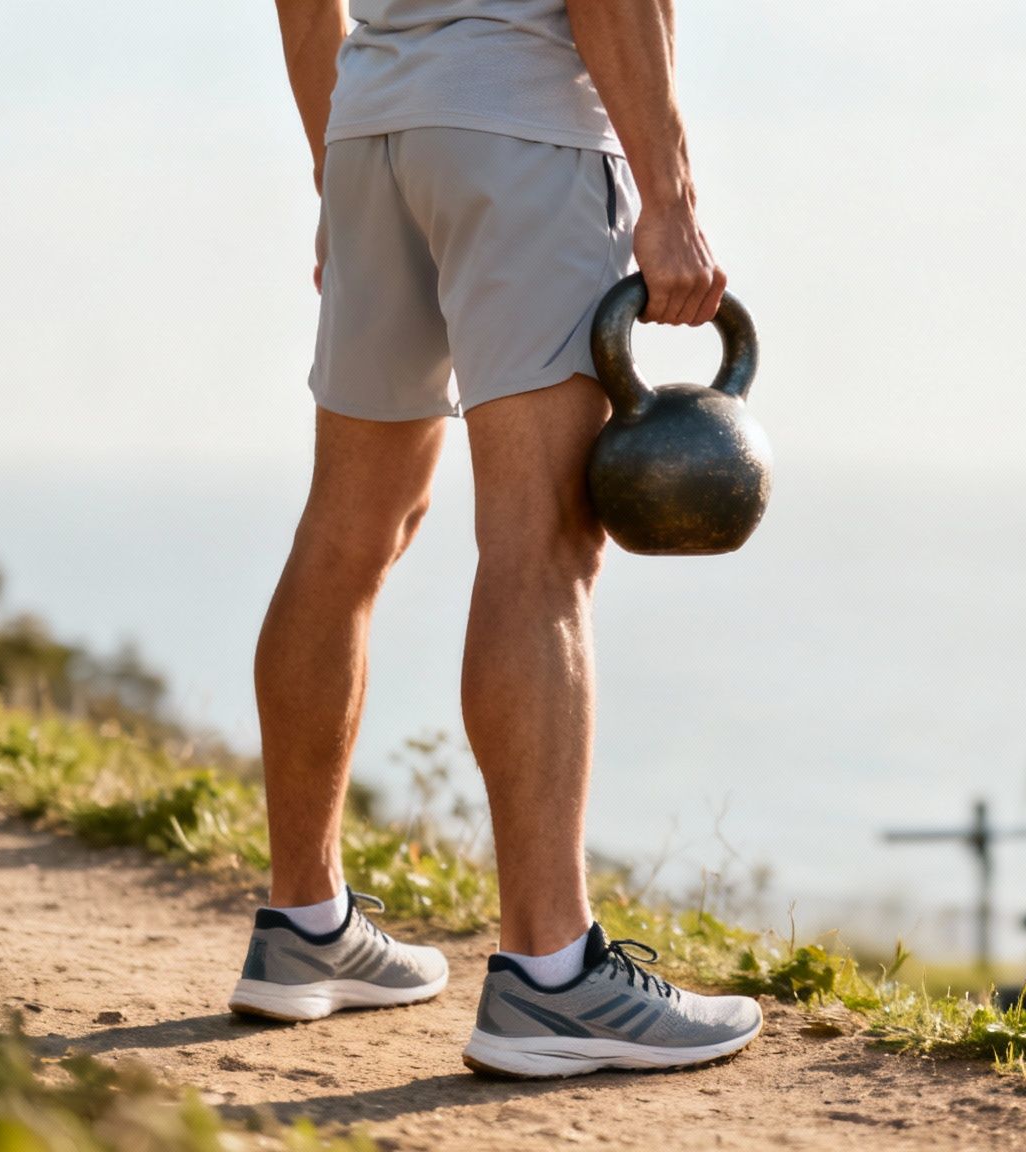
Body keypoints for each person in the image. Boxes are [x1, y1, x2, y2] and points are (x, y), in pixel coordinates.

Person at [227, 0, 762, 1079]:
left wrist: (341, 167)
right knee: (542, 546)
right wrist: (669, 203)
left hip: (374, 127)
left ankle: (303, 924)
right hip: (526, 135)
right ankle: (550, 974)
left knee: (350, 528)